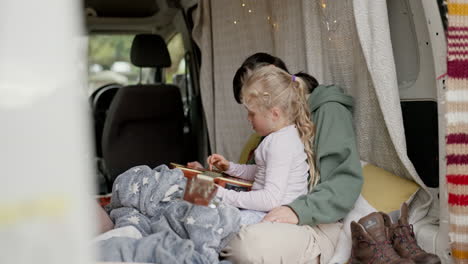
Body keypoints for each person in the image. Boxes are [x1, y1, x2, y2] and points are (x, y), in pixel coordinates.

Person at [189, 52, 363, 264]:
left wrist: (298, 210)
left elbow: (344, 182)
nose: (249, 119)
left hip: (311, 222)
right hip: (260, 205)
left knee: (242, 241)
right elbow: (254, 175)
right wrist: (208, 175)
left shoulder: (327, 111)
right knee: (189, 195)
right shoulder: (273, 130)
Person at [207, 65, 314, 225]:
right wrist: (230, 167)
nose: (248, 118)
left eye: (252, 113)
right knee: (199, 202)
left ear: (274, 114)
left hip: (270, 216)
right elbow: (261, 172)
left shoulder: (280, 144)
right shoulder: (279, 137)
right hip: (261, 211)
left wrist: (223, 195)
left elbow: (269, 199)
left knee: (207, 213)